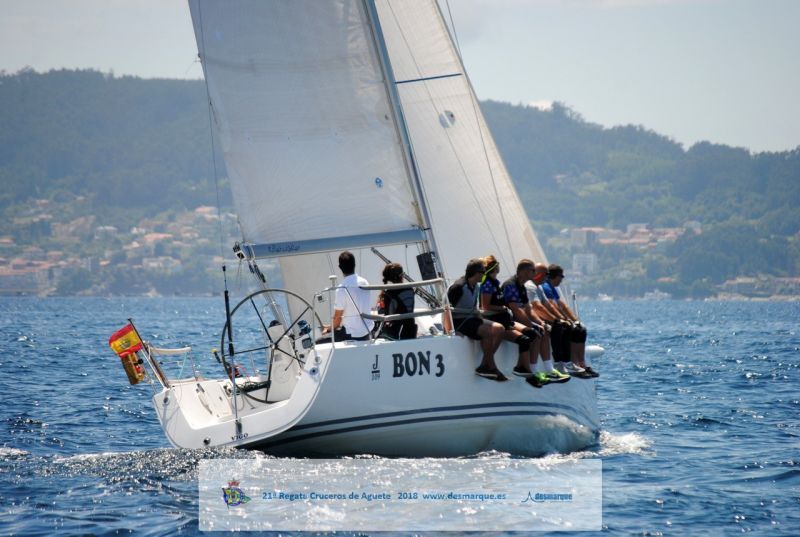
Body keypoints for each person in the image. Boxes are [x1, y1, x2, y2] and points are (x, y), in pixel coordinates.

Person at [501, 259, 569, 387]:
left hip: (518, 319)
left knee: (542, 330)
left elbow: (528, 309)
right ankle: (530, 370)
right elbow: (516, 310)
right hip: (508, 319)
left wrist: (539, 323)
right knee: (534, 333)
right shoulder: (510, 285)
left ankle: (546, 369)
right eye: (533, 270)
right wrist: (532, 325)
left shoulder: (521, 285)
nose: (535, 272)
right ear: (524, 272)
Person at [446, 258, 507, 381]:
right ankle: (492, 366)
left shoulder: (477, 286)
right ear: (477, 273)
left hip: (471, 318)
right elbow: (445, 310)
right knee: (487, 333)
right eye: (483, 273)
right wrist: (450, 330)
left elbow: (474, 308)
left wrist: (481, 319)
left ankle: (485, 364)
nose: (485, 275)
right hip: (459, 321)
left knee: (500, 329)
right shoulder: (458, 287)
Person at [479, 255, 536, 380]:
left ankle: (524, 368)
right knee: (524, 340)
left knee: (531, 333)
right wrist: (504, 308)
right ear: (495, 268)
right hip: (496, 321)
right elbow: (485, 306)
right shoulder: (488, 284)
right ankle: (487, 364)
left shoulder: (495, 283)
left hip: (505, 320)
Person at [541, 264, 598, 378]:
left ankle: (582, 364)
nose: (562, 280)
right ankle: (571, 363)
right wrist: (565, 320)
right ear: (556, 276)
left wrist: (576, 320)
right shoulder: (546, 287)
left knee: (580, 329)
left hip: (557, 318)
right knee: (569, 329)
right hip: (549, 319)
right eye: (561, 277)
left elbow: (563, 306)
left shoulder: (553, 287)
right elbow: (552, 307)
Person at [322, 251, 371, 341]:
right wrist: (331, 325)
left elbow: (337, 322)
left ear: (340, 267)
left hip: (351, 334)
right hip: (367, 331)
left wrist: (328, 329)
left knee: (318, 342)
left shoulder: (341, 289)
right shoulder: (365, 282)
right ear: (354, 265)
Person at [378, 262, 417, 340]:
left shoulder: (389, 293)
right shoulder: (410, 289)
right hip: (410, 331)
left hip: (395, 334)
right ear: (402, 275)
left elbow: (388, 315)